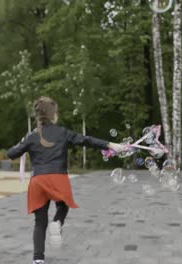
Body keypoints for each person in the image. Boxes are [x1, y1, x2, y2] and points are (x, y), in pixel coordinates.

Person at [7, 96, 126, 264]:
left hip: (38, 180)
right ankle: (57, 222)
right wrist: (110, 145)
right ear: (53, 114)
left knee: (40, 222)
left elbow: (11, 154)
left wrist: (23, 142)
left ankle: (38, 259)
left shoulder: (31, 135)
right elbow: (86, 140)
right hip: (57, 177)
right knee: (62, 205)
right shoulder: (62, 132)